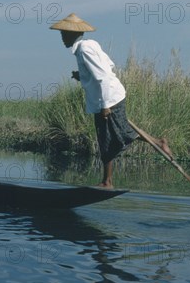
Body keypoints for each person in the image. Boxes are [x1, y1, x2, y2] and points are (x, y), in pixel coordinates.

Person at [50, 13, 172, 188]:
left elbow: (104, 75)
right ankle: (109, 179)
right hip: (108, 97)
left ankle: (109, 180)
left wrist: (106, 105)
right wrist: (82, 76)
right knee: (112, 134)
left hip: (108, 98)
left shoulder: (84, 49)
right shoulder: (87, 46)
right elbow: (109, 65)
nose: (62, 38)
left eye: (63, 34)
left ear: (71, 34)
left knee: (111, 136)